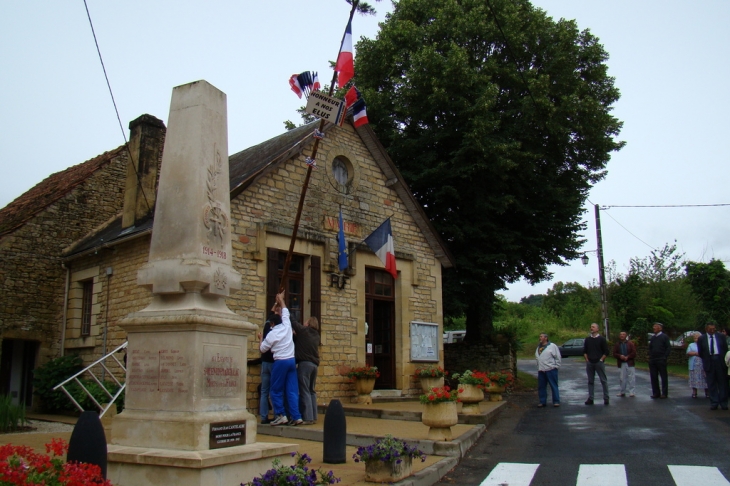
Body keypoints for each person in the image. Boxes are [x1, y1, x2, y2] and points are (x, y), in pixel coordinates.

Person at [260, 291, 303, 426]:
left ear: (272, 323)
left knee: (275, 390)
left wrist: (261, 339)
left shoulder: (272, 334)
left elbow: (262, 349)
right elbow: (285, 312)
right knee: (292, 390)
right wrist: (281, 300)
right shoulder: (287, 326)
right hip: (291, 360)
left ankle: (280, 415)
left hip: (280, 362)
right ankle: (296, 416)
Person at [293, 316, 320, 425]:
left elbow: (293, 321)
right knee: (311, 390)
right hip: (314, 365)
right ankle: (314, 416)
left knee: (304, 390)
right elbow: (302, 342)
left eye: (306, 321)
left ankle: (308, 417)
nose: (304, 323)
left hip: (305, 364)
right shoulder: (316, 335)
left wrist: (283, 307)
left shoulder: (304, 331)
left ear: (308, 324)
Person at [697, 322, 729, 410]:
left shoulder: (721, 337)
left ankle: (723, 402)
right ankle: (714, 402)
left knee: (723, 383)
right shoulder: (701, 338)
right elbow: (701, 352)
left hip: (720, 361)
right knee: (711, 383)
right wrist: (707, 360)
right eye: (710, 329)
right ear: (706, 329)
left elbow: (725, 349)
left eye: (714, 328)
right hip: (709, 361)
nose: (712, 330)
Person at [255, 313, 276, 424]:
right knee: (274, 390)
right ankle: (277, 415)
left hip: (265, 363)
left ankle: (264, 416)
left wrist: (260, 339)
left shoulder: (267, 329)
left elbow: (261, 349)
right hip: (273, 362)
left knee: (264, 391)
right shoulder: (276, 332)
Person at [583, 323, 609, 405]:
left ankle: (606, 398)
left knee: (603, 380)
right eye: (591, 327)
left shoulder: (602, 339)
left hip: (598, 362)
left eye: (593, 327)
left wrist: (601, 359)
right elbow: (584, 351)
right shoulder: (587, 339)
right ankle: (591, 398)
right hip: (590, 362)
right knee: (590, 381)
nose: (591, 328)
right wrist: (587, 359)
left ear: (597, 329)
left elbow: (606, 351)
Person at [535, 333, 561, 407]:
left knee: (553, 385)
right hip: (541, 370)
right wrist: (538, 367)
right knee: (541, 386)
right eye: (539, 336)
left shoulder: (552, 346)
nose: (540, 338)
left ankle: (556, 401)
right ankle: (542, 401)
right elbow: (538, 359)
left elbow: (558, 356)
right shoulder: (538, 347)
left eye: (541, 336)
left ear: (546, 338)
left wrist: (556, 366)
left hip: (551, 369)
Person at [648, 322, 671, 398]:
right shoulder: (653, 338)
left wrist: (665, 357)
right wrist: (650, 356)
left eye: (655, 327)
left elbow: (668, 347)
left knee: (663, 376)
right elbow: (650, 348)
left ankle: (664, 393)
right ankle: (656, 393)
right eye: (653, 326)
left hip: (661, 359)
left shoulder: (664, 337)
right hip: (653, 360)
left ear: (660, 328)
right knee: (653, 377)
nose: (654, 328)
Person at [612, 331, 637, 397]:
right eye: (620, 334)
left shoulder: (630, 343)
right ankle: (622, 391)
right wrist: (620, 356)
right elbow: (614, 353)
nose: (622, 335)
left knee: (631, 378)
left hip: (630, 363)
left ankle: (632, 392)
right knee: (622, 378)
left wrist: (628, 357)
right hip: (621, 363)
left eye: (623, 334)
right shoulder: (617, 344)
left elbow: (634, 352)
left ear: (626, 336)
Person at [686, 332, 708, 399]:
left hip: (703, 364)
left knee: (705, 378)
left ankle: (707, 392)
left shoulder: (704, 344)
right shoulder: (691, 345)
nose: (696, 339)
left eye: (697, 338)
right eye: (695, 338)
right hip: (694, 364)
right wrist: (696, 353)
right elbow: (688, 353)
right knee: (694, 378)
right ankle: (694, 392)